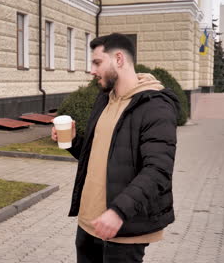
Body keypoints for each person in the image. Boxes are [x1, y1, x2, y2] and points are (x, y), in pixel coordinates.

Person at [51, 33, 179, 262]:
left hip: (124, 231)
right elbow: (100, 159)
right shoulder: (105, 99)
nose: (92, 71)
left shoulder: (155, 106)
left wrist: (118, 212)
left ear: (119, 59)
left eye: (97, 62)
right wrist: (71, 142)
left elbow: (157, 171)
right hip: (90, 225)